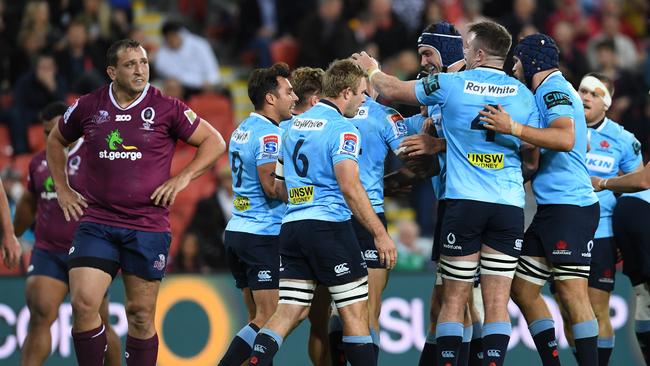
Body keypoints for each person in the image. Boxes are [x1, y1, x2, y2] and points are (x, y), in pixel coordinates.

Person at [352, 21, 540, 366]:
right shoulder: (523, 94)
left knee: (454, 300)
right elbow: (532, 154)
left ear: (479, 53)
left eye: (467, 48)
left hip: (464, 202)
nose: (463, 53)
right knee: (496, 303)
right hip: (509, 206)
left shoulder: (452, 84)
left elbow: (393, 90)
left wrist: (372, 70)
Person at [46, 39, 226, 366]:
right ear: (112, 71)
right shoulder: (89, 106)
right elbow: (56, 138)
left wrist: (182, 178)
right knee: (84, 304)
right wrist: (63, 187)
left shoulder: (166, 107)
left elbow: (214, 142)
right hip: (97, 221)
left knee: (140, 315)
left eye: (143, 62)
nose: (140, 69)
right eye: (130, 64)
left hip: (146, 225)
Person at [247, 59, 396, 366]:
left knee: (288, 312)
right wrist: (380, 234)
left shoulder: (291, 125)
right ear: (345, 92)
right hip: (329, 228)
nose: (362, 101)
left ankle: (255, 361)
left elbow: (277, 185)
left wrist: (307, 194)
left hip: (292, 228)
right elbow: (350, 187)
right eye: (360, 94)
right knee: (356, 314)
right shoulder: (343, 128)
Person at [479, 33, 600, 365]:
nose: (514, 69)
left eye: (517, 62)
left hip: (569, 207)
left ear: (531, 61)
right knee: (522, 289)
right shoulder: (553, 91)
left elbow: (565, 136)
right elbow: (580, 143)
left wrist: (513, 127)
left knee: (572, 294)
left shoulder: (553, 90)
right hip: (554, 208)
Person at [14, 102, 121, 366]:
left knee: (99, 322)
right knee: (39, 318)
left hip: (89, 252)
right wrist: (10, 237)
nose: (53, 138)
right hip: (48, 251)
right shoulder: (38, 163)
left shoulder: (95, 156)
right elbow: (28, 203)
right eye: (46, 133)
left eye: (56, 131)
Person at [552, 73, 641, 365]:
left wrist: (623, 232)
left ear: (607, 104)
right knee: (567, 308)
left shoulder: (624, 140)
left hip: (601, 230)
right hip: (563, 224)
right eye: (583, 91)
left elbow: (639, 187)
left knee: (596, 306)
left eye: (595, 93)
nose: (587, 97)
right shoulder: (558, 127)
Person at [218, 62, 297, 366]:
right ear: (270, 98)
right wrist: (311, 189)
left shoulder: (242, 129)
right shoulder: (269, 136)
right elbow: (271, 187)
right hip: (262, 235)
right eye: (288, 92)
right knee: (270, 318)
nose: (293, 97)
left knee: (256, 319)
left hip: (238, 230)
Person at [155, 20, 222, 98]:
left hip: (204, 84)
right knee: (172, 86)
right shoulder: (162, 52)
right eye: (169, 39)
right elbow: (166, 72)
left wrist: (210, 80)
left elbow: (211, 67)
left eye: (173, 37)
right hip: (183, 86)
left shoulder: (200, 45)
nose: (172, 41)